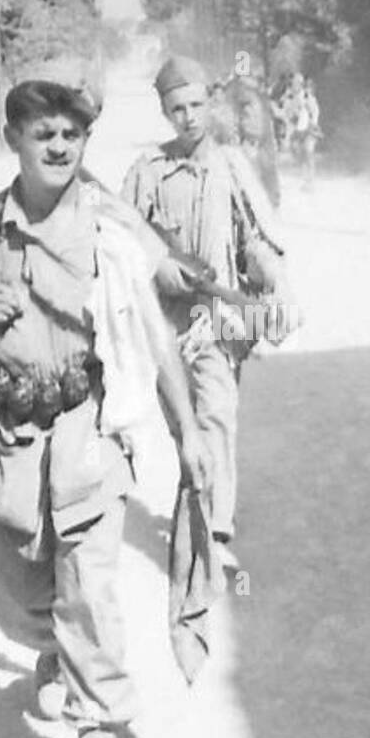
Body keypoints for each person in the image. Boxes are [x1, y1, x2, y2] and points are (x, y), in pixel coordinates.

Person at [0, 60, 208, 738]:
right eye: (43, 132)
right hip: (11, 435)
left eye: (72, 134)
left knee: (90, 588)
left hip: (87, 425)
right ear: (13, 138)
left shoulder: (109, 224)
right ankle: (50, 646)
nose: (58, 146)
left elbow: (150, 337)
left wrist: (188, 431)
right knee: (16, 581)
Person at [121, 55, 298, 569]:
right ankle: (197, 507)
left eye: (196, 105)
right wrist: (157, 266)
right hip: (163, 324)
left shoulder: (232, 167)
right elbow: (120, 239)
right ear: (163, 111)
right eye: (177, 108)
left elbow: (257, 240)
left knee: (217, 413)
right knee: (185, 425)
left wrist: (276, 284)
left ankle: (216, 531)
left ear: (209, 104)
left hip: (219, 322)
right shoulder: (147, 172)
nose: (189, 117)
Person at [219, 74, 283, 209]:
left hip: (258, 140)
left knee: (259, 171)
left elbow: (255, 124)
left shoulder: (252, 105)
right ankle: (266, 202)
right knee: (262, 171)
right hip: (258, 140)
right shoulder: (256, 103)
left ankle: (266, 203)